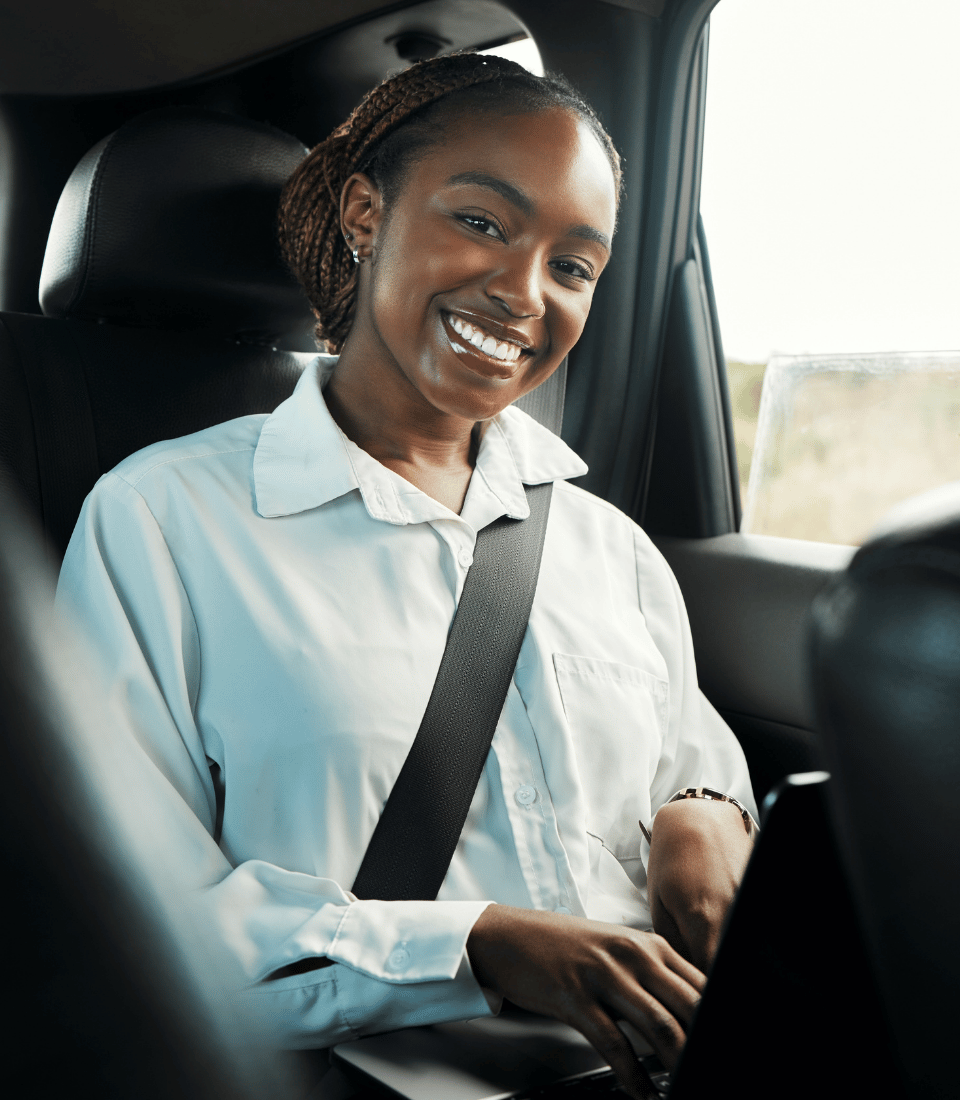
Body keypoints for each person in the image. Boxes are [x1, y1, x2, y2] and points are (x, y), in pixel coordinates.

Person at [56, 53, 757, 1100]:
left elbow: (689, 758)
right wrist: (476, 945)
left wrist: (703, 812)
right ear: (364, 213)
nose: (525, 294)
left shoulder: (611, 547)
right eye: (481, 222)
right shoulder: (161, 519)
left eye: (574, 265)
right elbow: (129, 929)